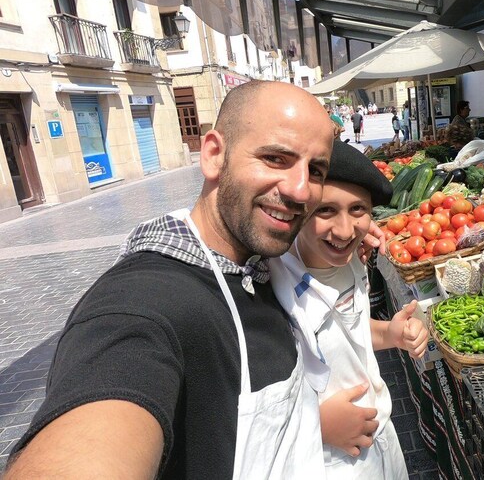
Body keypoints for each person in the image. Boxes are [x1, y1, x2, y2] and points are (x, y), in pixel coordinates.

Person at [4, 81, 382, 479]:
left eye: (315, 170)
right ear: (214, 155)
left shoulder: (257, 260)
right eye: (274, 158)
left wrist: (352, 234)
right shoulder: (143, 304)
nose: (300, 189)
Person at [270, 140, 427, 478]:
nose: (343, 230)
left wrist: (391, 333)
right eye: (325, 210)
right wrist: (317, 424)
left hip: (382, 438)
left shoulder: (353, 260)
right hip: (326, 460)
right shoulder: (272, 279)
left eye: (358, 209)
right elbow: (243, 408)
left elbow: (351, 329)